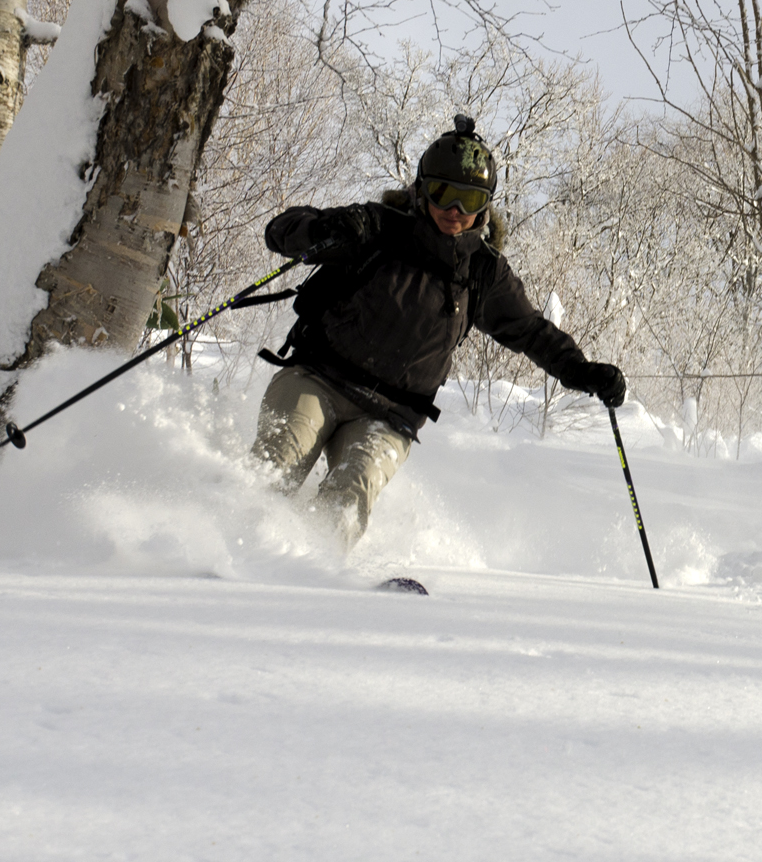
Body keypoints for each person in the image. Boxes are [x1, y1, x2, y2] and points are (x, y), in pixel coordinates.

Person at [251, 114, 626, 545]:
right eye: (443, 194)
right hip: (317, 378)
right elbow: (280, 231)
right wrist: (323, 230)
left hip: (390, 414)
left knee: (349, 496)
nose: (454, 211)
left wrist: (584, 371)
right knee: (278, 462)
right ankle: (229, 551)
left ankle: (311, 578)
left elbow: (532, 332)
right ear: (420, 189)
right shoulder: (377, 228)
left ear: (485, 206)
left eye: (469, 201)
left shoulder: (483, 273)